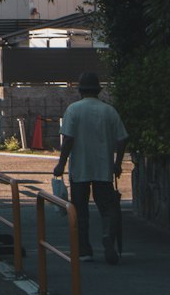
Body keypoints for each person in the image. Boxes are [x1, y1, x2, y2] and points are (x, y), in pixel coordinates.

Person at [52, 72, 128, 264]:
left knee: (80, 211)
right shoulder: (109, 111)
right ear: (99, 91)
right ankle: (107, 237)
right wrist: (117, 163)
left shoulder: (73, 110)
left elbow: (68, 138)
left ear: (80, 91)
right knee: (108, 209)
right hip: (104, 169)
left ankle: (84, 250)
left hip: (80, 170)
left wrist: (61, 163)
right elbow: (122, 139)